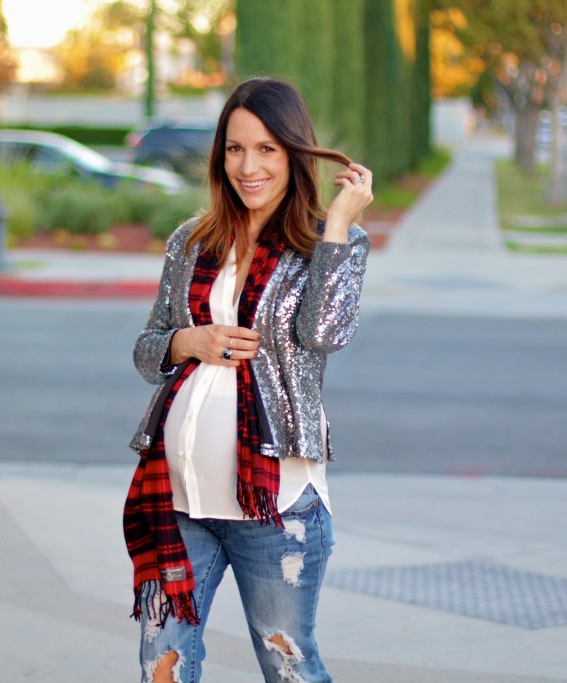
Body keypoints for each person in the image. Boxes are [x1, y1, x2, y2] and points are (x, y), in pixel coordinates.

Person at [123, 76, 372, 683]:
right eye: (235, 148)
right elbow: (147, 349)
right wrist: (189, 341)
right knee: (162, 664)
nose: (248, 165)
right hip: (177, 497)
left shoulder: (329, 245)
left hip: (275, 506)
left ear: (293, 153)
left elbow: (324, 335)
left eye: (266, 149)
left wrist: (338, 223)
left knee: (287, 663)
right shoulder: (191, 240)